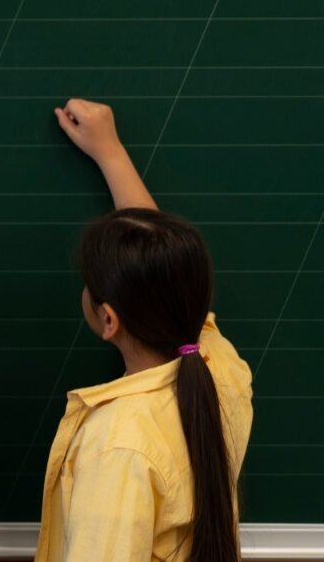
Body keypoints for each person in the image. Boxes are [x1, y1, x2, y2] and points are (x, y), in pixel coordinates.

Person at [36, 99, 254, 562]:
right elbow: (168, 274)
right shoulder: (221, 371)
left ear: (108, 319)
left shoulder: (118, 445)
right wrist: (110, 152)